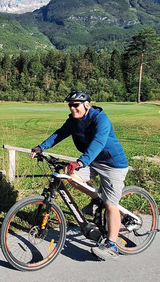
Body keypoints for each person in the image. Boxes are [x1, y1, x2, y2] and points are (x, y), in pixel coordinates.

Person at [30, 90, 129, 261]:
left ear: (87, 105)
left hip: (113, 165)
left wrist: (80, 162)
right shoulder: (74, 121)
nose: (72, 108)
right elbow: (59, 134)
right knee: (70, 176)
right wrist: (41, 147)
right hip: (94, 161)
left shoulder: (101, 120)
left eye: (76, 105)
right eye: (70, 105)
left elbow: (98, 143)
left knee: (111, 204)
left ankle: (111, 245)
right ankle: (97, 200)